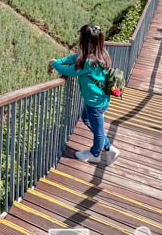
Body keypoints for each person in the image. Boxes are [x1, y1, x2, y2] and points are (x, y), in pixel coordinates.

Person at [49, 24, 120, 165]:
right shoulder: (102, 53)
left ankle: (95, 154)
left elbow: (71, 71)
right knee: (86, 118)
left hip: (95, 102)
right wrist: (62, 61)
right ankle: (107, 147)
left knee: (98, 130)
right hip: (101, 99)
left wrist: (55, 64)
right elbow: (76, 58)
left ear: (86, 41)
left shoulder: (87, 62)